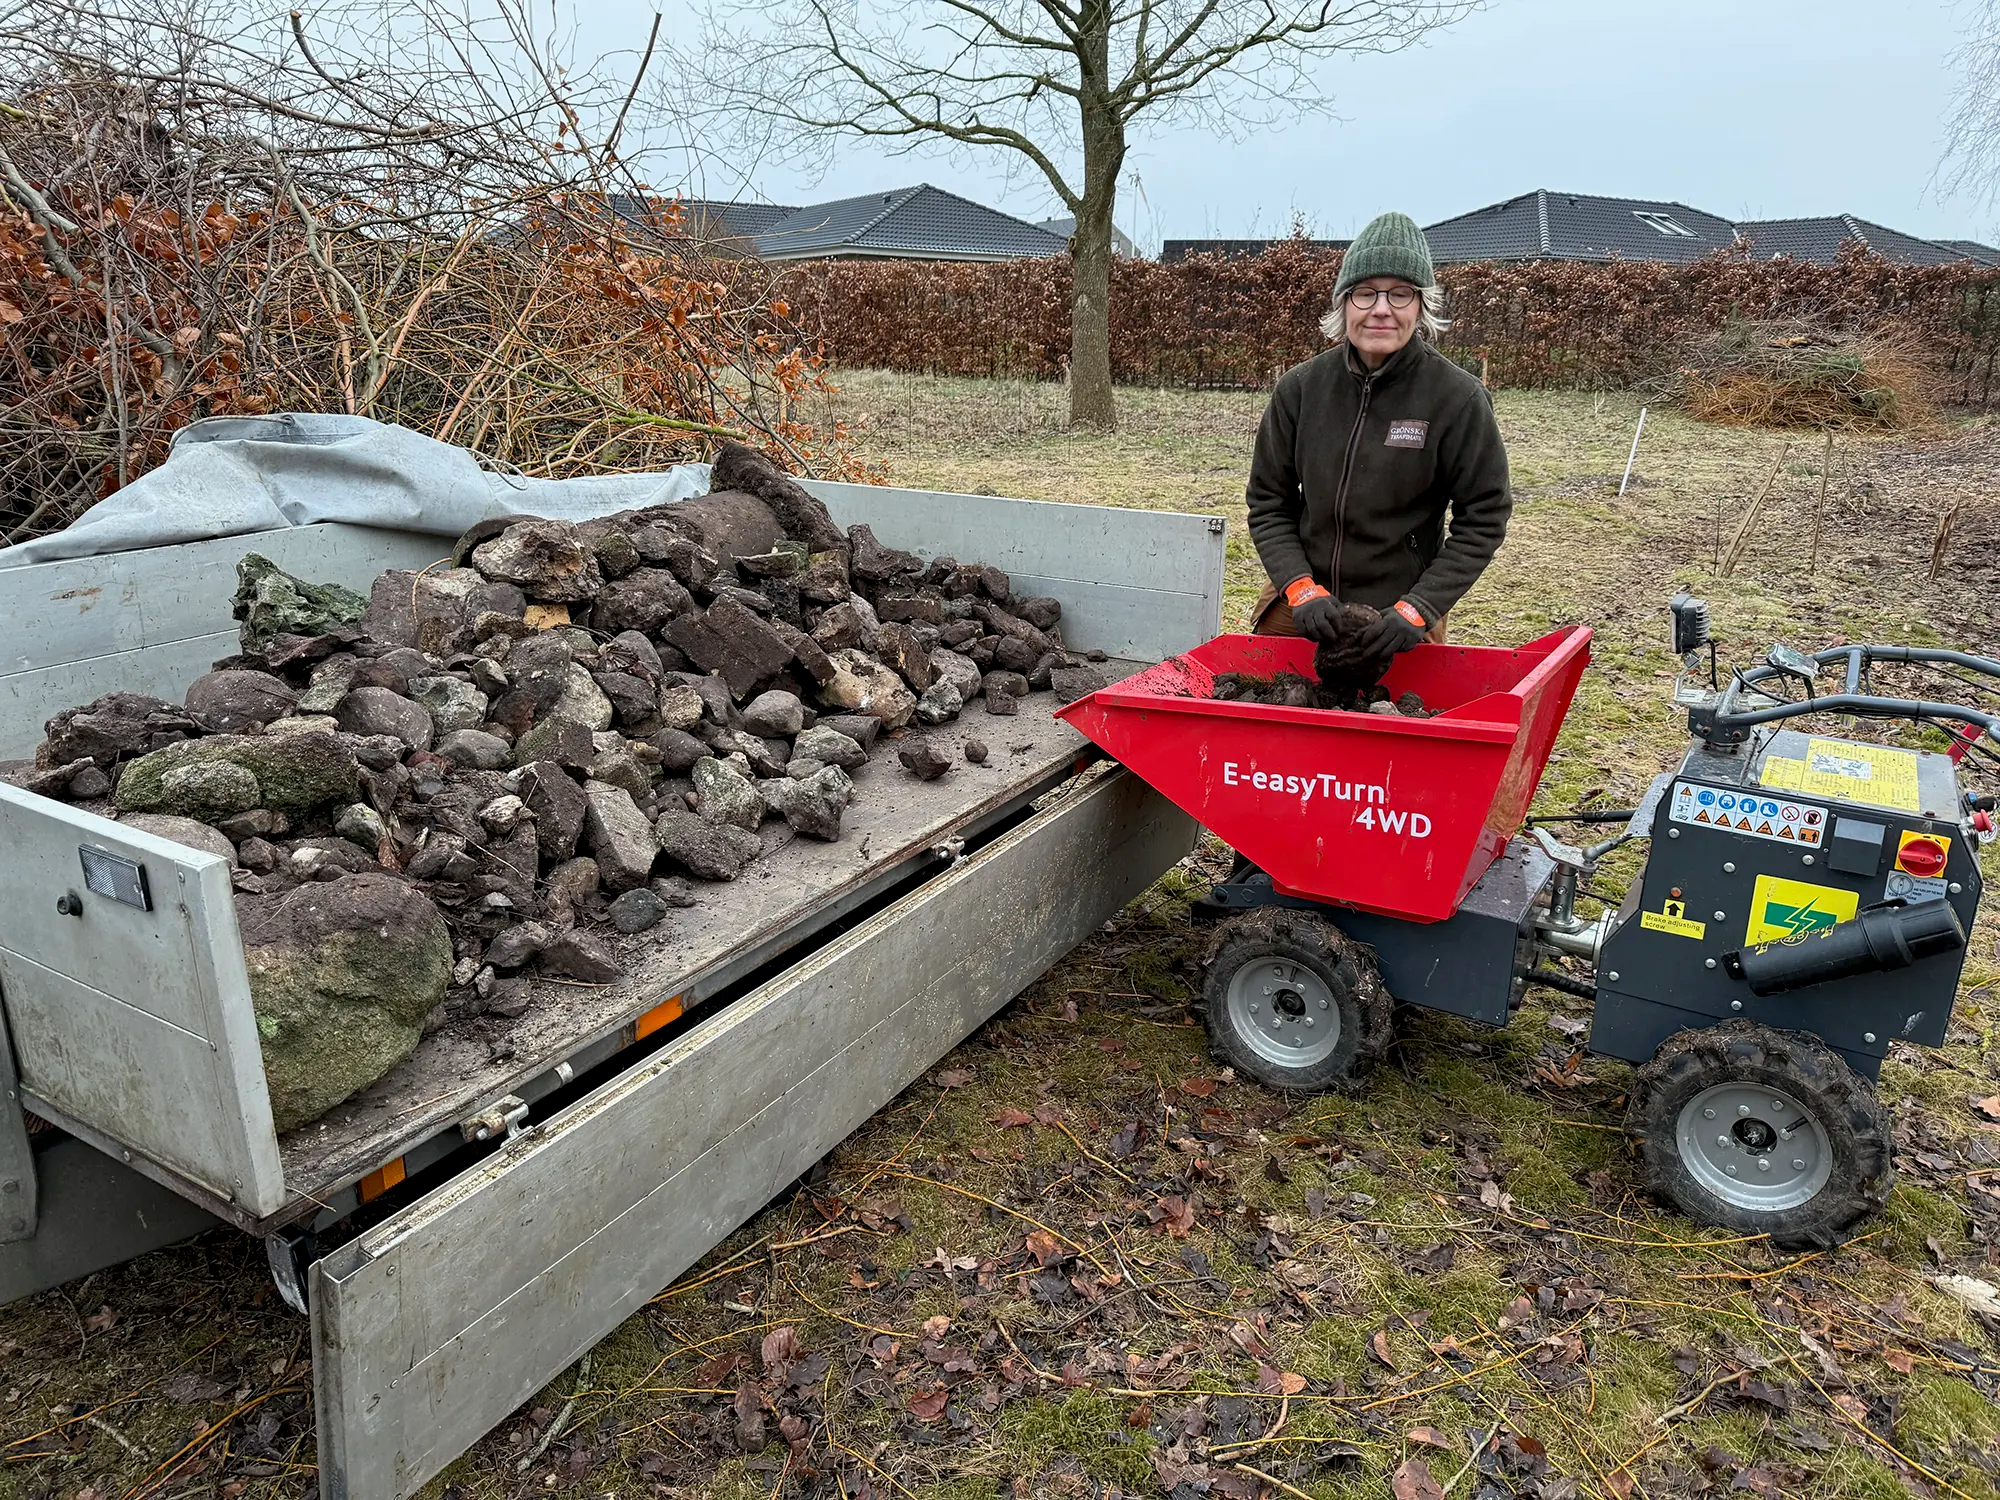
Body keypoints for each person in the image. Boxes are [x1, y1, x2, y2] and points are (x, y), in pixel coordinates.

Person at [1244, 211, 1512, 672]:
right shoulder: (1300, 390)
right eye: (1365, 293)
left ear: (1421, 306)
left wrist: (1420, 608)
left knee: (1397, 726)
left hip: (1399, 614)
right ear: (1344, 304)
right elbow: (1269, 502)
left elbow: (1484, 518)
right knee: (1264, 709)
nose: (1381, 309)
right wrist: (1300, 587)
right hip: (1303, 602)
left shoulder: (1458, 399)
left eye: (1400, 293)